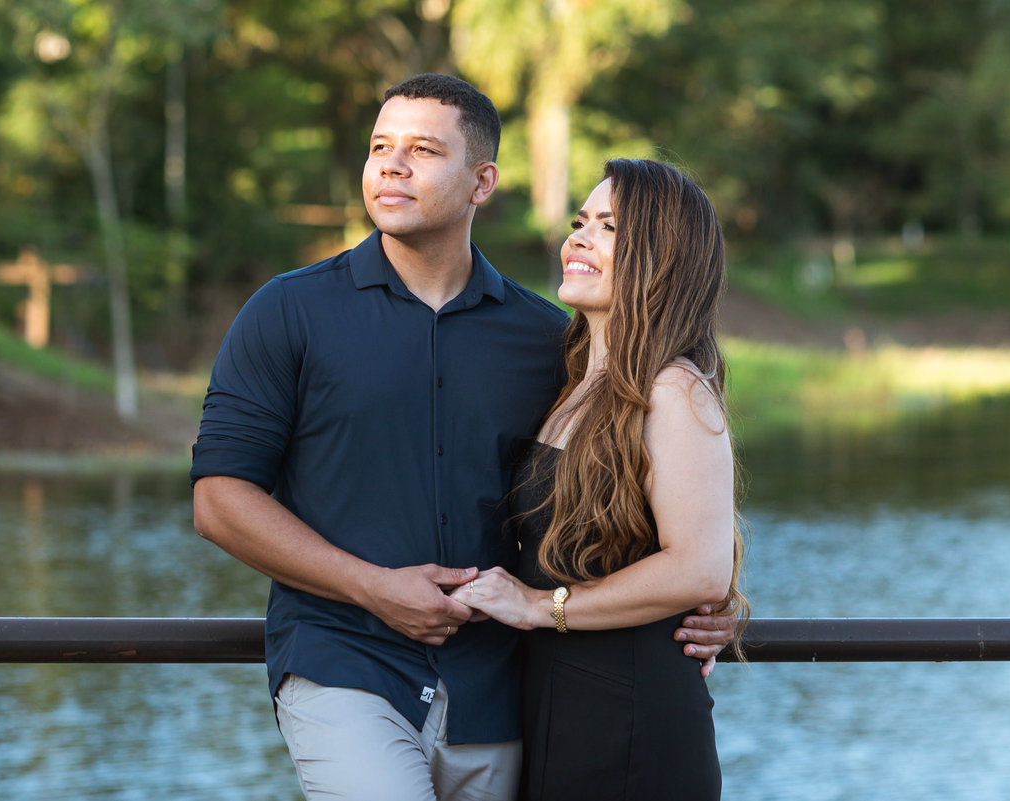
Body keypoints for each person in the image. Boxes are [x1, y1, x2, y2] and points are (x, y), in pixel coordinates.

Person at [191, 74, 735, 801]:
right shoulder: (287, 311)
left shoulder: (552, 343)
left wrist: (712, 599)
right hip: (345, 663)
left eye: (422, 149)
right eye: (380, 147)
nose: (392, 165)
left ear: (483, 182)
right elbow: (218, 500)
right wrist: (373, 587)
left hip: (503, 692)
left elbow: (650, 502)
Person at [449, 158, 750, 801]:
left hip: (632, 718)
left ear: (662, 259)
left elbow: (699, 570)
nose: (578, 240)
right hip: (554, 705)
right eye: (580, 221)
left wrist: (539, 608)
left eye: (609, 227)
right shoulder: (574, 383)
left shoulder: (672, 389)